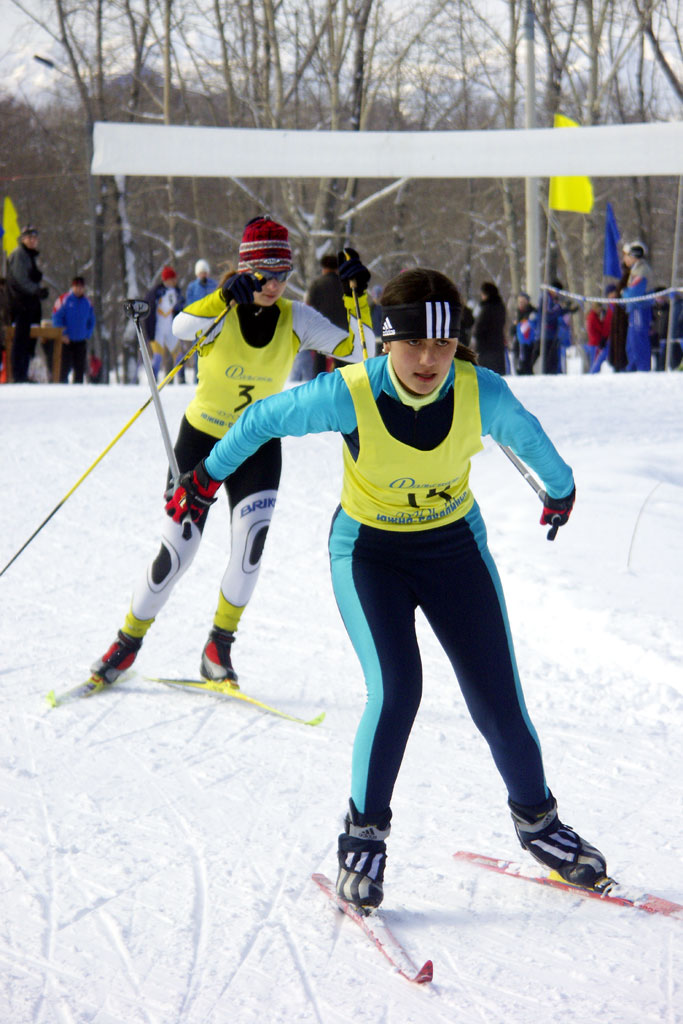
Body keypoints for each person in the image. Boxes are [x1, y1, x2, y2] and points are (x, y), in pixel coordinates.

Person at [167, 265, 609, 913]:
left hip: (454, 549)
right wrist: (206, 474)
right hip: (368, 553)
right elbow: (261, 419)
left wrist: (561, 493)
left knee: (498, 698)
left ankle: (538, 825)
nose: (428, 359)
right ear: (386, 342)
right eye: (412, 344)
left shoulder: (480, 391)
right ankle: (362, 839)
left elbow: (535, 443)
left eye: (441, 344)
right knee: (398, 688)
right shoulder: (347, 391)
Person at [90, 216, 373, 687]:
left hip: (258, 447)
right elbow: (180, 327)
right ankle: (127, 642)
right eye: (265, 273)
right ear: (246, 271)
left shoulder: (296, 318)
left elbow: (363, 352)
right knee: (176, 552)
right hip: (200, 441)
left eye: (283, 273)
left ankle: (218, 646)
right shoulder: (219, 311)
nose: (275, 284)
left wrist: (358, 299)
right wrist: (224, 296)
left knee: (249, 550)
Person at [5, 225, 49, 383]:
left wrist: (39, 290)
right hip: (20, 304)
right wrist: (36, 290)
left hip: (30, 305)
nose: (32, 240)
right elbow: (19, 280)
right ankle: (18, 375)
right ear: (23, 238)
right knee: (21, 340)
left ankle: (26, 373)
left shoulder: (31, 256)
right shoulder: (19, 254)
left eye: (34, 238)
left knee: (31, 341)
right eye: (29, 237)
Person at [306, 253, 348, 374]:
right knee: (341, 363)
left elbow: (309, 307)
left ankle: (318, 387)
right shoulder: (344, 285)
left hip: (321, 329)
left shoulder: (317, 284)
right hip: (342, 329)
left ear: (323, 267)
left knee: (319, 362)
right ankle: (341, 386)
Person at [143, 265, 186, 381]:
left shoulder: (177, 292)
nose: (175, 281)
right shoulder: (157, 292)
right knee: (158, 356)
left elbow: (179, 307)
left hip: (171, 327)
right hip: (158, 329)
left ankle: (181, 377)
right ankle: (153, 378)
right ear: (167, 279)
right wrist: (149, 330)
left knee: (179, 355)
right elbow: (149, 308)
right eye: (173, 279)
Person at [51, 276, 96, 383]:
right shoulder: (64, 300)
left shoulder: (87, 302)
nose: (79, 289)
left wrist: (87, 334)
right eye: (77, 287)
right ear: (72, 287)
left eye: (81, 287)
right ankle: (62, 386)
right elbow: (56, 317)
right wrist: (62, 333)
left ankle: (78, 388)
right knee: (64, 367)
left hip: (81, 340)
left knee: (79, 368)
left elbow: (92, 320)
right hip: (66, 340)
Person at [622, 241, 653, 372]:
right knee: (631, 340)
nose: (625, 259)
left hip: (639, 309)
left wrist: (624, 293)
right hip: (634, 309)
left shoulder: (641, 270)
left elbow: (634, 292)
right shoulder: (636, 269)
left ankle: (642, 368)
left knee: (638, 339)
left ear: (633, 256)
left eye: (627, 256)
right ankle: (633, 367)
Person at [472, 281, 506, 374]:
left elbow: (479, 327)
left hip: (486, 347)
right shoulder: (500, 307)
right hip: (497, 345)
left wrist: (476, 335)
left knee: (485, 373)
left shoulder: (487, 308)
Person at [586, 290, 614, 374]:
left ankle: (593, 374)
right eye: (599, 309)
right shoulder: (592, 317)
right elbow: (600, 328)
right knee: (595, 363)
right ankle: (592, 374)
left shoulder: (592, 316)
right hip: (595, 343)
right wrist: (605, 320)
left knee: (595, 362)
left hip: (593, 343)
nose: (600, 311)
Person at [511, 292, 537, 375]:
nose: (520, 304)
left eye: (522, 301)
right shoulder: (518, 313)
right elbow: (513, 330)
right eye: (519, 302)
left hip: (529, 342)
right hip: (519, 342)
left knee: (526, 363)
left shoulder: (532, 312)